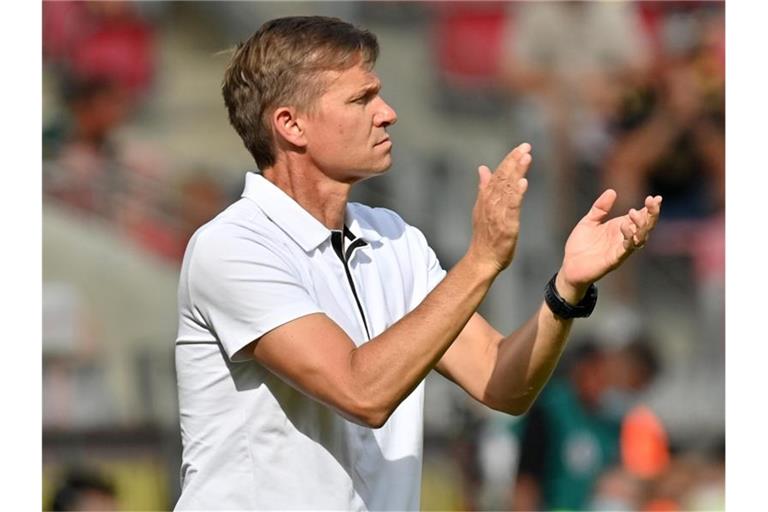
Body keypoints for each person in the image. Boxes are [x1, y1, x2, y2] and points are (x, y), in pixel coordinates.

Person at [174, 16, 662, 510]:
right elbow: (363, 392)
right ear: (291, 125)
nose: (387, 113)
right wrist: (481, 261)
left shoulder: (395, 238)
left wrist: (566, 290)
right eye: (361, 99)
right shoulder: (232, 246)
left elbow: (503, 383)